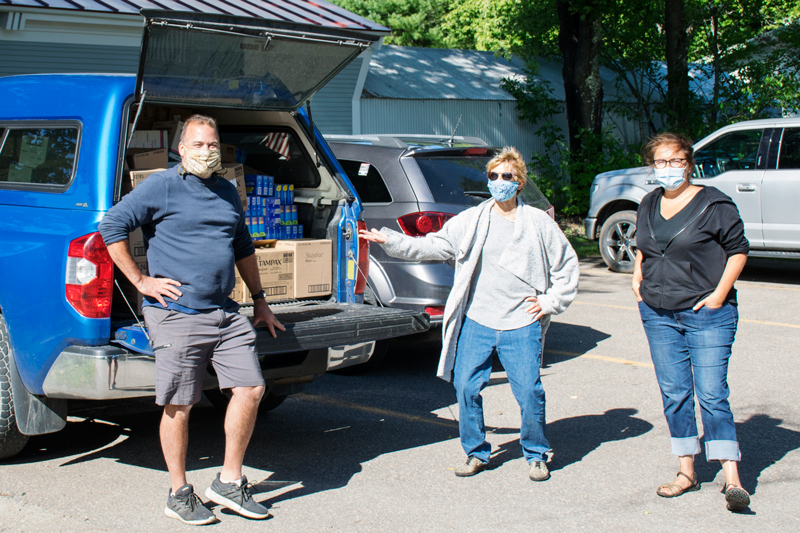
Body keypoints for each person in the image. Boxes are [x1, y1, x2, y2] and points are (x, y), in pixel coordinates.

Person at [99, 115, 285, 525]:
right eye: (198, 145)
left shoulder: (226, 191)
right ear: (181, 149)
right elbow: (111, 225)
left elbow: (243, 247)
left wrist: (260, 302)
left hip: (225, 311)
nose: (207, 151)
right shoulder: (162, 186)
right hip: (177, 314)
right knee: (180, 404)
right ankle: (179, 493)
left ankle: (228, 482)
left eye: (213, 145)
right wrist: (142, 281)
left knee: (252, 389)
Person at [359, 147, 579, 481]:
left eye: (507, 177)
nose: (499, 182)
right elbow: (434, 246)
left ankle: (535, 453)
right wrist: (389, 239)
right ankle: (475, 452)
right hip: (478, 319)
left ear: (520, 183)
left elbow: (567, 265)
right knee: (465, 386)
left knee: (529, 390)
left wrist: (550, 302)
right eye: (493, 176)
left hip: (521, 321)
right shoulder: (475, 219)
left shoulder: (537, 223)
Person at [632, 132, 750, 512]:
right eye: (660, 162)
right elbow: (643, 246)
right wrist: (637, 278)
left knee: (713, 394)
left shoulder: (714, 203)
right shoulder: (649, 202)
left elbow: (738, 250)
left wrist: (718, 295)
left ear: (689, 162)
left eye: (675, 161)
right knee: (675, 394)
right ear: (653, 166)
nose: (668, 168)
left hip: (707, 314)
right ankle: (686, 471)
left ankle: (731, 477)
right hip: (658, 313)